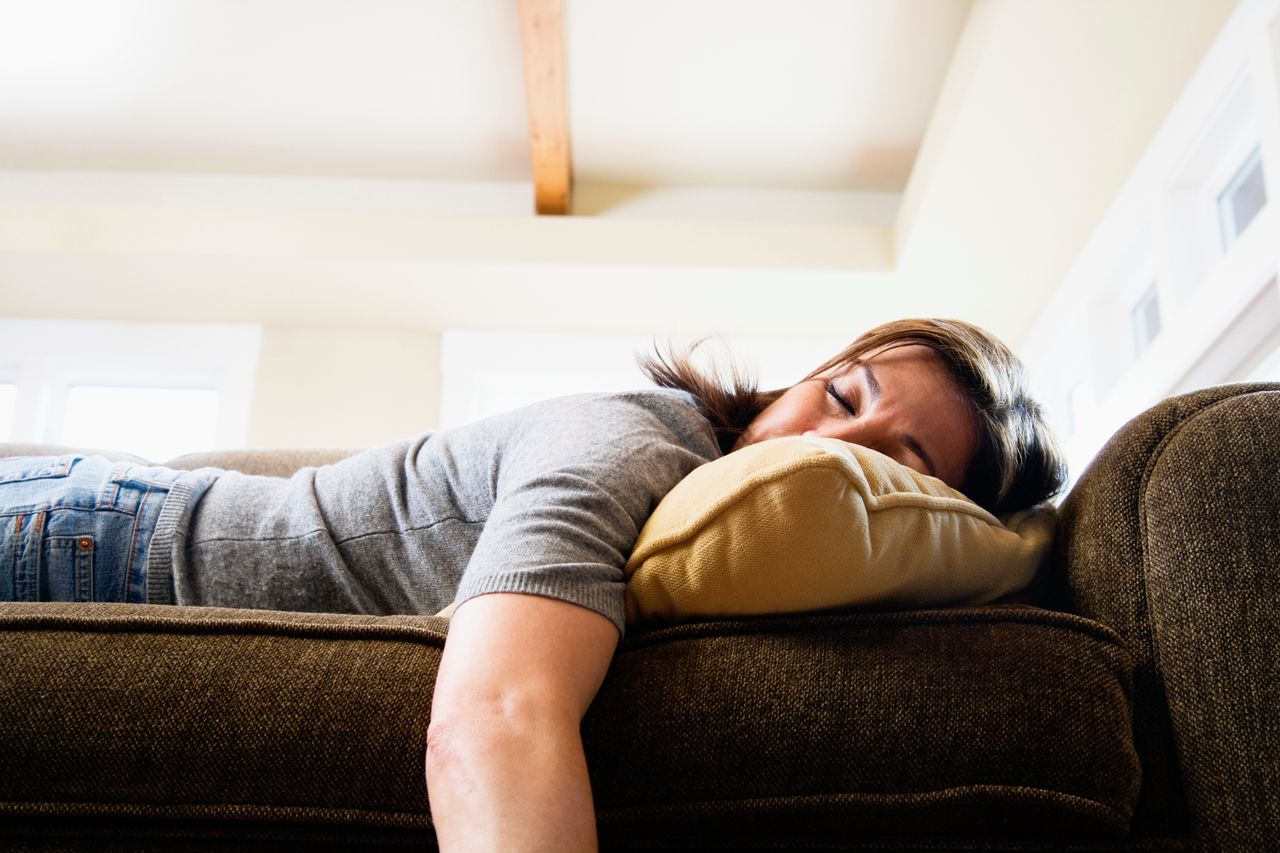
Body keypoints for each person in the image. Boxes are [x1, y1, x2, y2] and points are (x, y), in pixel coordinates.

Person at [0, 317, 1064, 851]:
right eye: (838, 393)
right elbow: (495, 712)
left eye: (898, 461)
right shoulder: (631, 447)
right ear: (796, 377)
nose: (835, 444)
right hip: (92, 532)